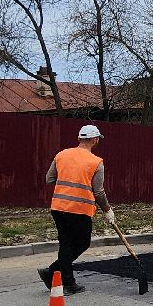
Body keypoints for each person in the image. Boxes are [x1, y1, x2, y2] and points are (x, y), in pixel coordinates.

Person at [40, 124, 114, 295]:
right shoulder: (96, 162)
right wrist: (107, 210)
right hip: (79, 210)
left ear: (79, 138)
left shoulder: (61, 155)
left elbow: (49, 179)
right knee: (81, 243)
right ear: (95, 140)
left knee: (66, 244)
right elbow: (99, 192)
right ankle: (67, 282)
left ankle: (53, 273)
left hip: (59, 207)